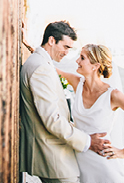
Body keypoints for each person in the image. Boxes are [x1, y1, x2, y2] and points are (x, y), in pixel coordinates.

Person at [20, 21, 110, 183]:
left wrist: (28, 44)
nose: (67, 53)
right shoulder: (41, 68)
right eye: (66, 47)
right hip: (55, 158)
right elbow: (52, 120)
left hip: (56, 154)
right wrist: (88, 142)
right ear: (52, 41)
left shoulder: (40, 62)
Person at [56, 44, 124, 183]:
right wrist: (30, 46)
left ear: (95, 66)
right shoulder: (76, 82)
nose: (77, 61)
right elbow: (49, 70)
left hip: (104, 163)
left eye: (82, 58)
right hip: (80, 158)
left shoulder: (114, 95)